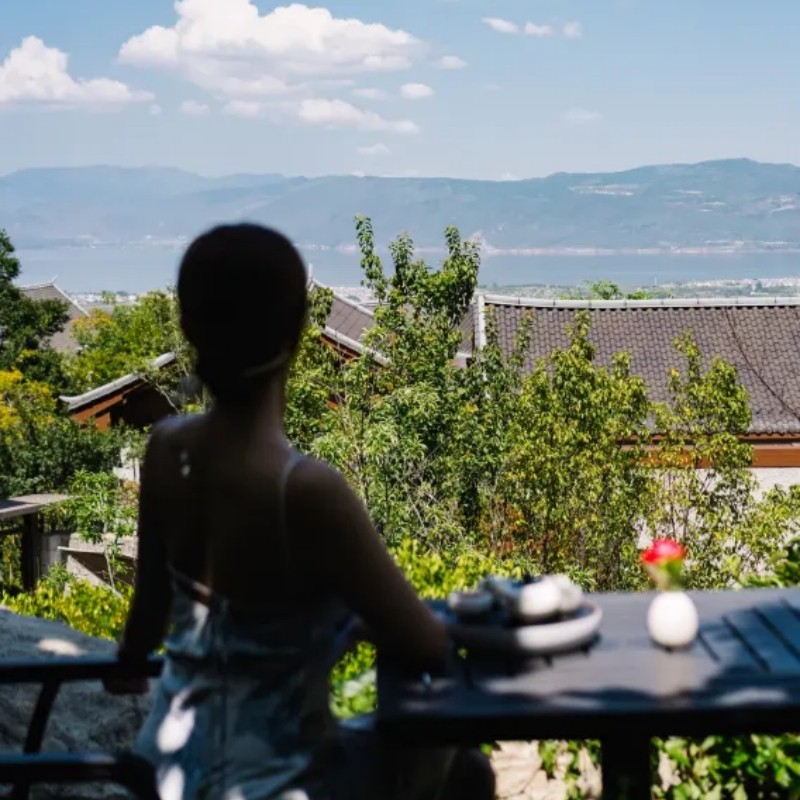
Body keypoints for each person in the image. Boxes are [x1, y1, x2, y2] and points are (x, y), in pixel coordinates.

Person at [104, 224, 495, 800]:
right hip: (276, 779)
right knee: (468, 772)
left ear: (187, 325)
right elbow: (424, 644)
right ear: (299, 328)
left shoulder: (166, 450)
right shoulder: (307, 491)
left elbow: (147, 624)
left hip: (166, 771)